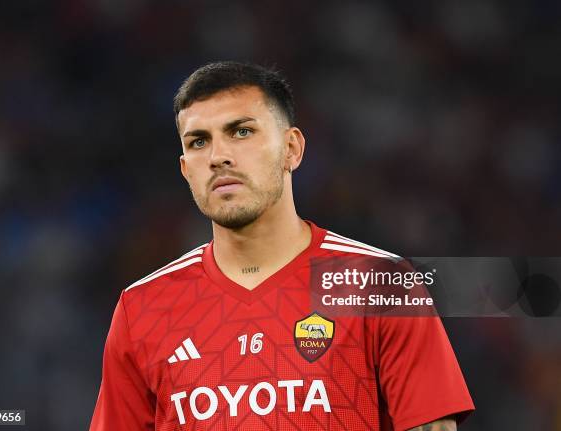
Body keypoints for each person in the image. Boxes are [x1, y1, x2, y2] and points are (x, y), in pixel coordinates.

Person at [90, 61, 474, 430]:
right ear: (186, 169)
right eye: (199, 141)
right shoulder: (142, 309)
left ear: (291, 148)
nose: (218, 156)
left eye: (241, 131)